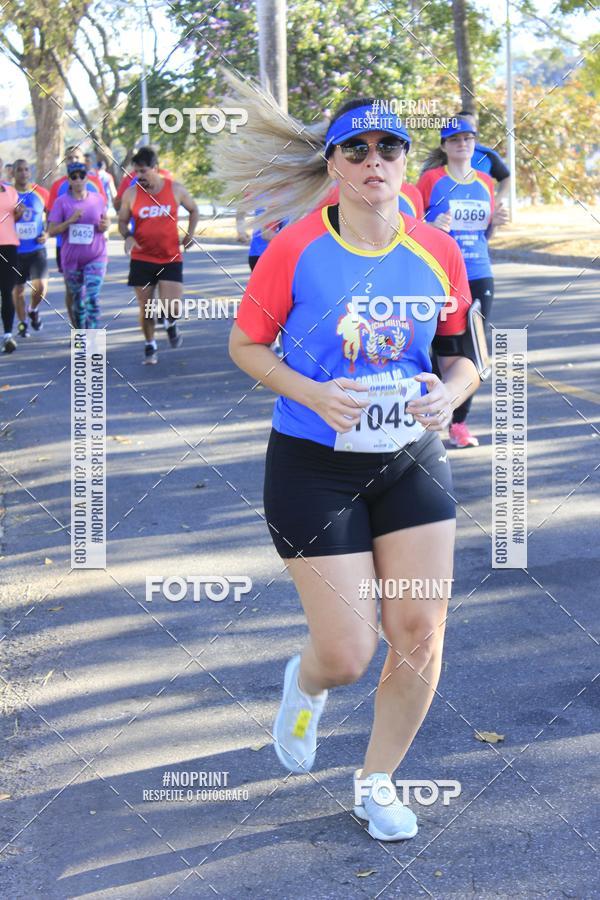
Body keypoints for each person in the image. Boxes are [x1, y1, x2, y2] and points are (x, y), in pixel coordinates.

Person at [217, 76, 481, 842]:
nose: (374, 160)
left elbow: (464, 357)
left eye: (388, 146)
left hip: (411, 457)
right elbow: (246, 345)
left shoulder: (437, 250)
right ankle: (306, 685)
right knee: (347, 654)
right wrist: (314, 392)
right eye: (356, 149)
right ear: (333, 163)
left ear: (405, 159)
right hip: (314, 463)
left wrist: (449, 395)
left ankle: (377, 782)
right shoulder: (296, 248)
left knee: (420, 629)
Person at [417, 117, 508, 448]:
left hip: (479, 272)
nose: (463, 144)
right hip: (439, 272)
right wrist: (431, 225)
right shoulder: (431, 180)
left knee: (472, 351)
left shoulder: (484, 181)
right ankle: (427, 413)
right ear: (444, 146)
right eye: (455, 139)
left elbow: (485, 234)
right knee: (434, 345)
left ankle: (458, 423)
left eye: (468, 138)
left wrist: (496, 221)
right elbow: (411, 222)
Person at [117, 146, 199, 364]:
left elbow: (194, 210)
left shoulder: (175, 189)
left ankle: (170, 322)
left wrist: (190, 234)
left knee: (172, 307)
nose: (139, 176)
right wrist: (128, 236)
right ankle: (150, 345)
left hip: (170, 257)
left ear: (155, 168)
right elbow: (122, 221)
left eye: (143, 171)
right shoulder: (131, 194)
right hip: (142, 259)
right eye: (136, 172)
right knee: (146, 308)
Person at [47, 146, 107, 323]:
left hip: (96, 256)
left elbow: (105, 221)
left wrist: (105, 226)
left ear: (87, 177)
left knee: (92, 299)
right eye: (74, 177)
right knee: (78, 302)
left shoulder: (97, 198)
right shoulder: (61, 201)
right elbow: (51, 230)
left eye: (82, 176)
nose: (78, 179)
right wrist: (70, 221)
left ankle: (93, 337)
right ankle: (80, 334)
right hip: (71, 258)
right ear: (69, 179)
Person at [12, 159, 50, 337]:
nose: (23, 173)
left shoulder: (41, 193)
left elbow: (53, 215)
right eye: (19, 170)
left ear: (30, 172)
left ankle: (33, 309)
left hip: (36, 249)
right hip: (14, 251)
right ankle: (23, 324)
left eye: (26, 169)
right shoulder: (7, 194)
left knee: (41, 286)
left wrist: (47, 233)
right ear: (13, 173)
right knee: (18, 290)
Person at [456, 110, 511, 204]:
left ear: (475, 128)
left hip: (481, 209)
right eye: (463, 124)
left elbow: (506, 177)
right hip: (449, 210)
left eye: (471, 124)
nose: (467, 128)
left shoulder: (487, 154)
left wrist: (495, 202)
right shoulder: (442, 154)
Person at [0, 180, 24, 352]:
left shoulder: (10, 191)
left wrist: (19, 213)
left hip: (9, 246)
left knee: (7, 291)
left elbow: (15, 217)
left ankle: (8, 335)